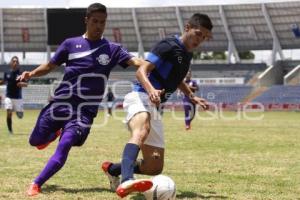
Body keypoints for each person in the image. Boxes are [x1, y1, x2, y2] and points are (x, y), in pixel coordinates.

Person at [17, 3, 148, 196]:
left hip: (84, 111)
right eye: (95, 21)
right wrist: (31, 73)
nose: (99, 26)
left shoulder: (112, 49)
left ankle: (37, 183)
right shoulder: (70, 44)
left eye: (102, 22)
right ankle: (54, 133)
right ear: (86, 20)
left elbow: (136, 62)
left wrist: (148, 64)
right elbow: (50, 65)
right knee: (35, 141)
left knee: (66, 144)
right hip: (60, 103)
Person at [102, 13, 213, 198]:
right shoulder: (168, 45)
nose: (200, 40)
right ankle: (127, 180)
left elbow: (178, 80)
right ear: (187, 28)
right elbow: (141, 71)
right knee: (142, 130)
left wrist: (192, 96)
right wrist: (151, 89)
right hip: (140, 95)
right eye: (198, 33)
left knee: (154, 167)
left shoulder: (187, 56)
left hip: (155, 105)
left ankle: (112, 169)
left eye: (204, 37)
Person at [0, 56, 27, 133]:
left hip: (18, 98)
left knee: (20, 116)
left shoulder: (21, 73)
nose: (15, 63)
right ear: (11, 63)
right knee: (9, 112)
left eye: (16, 61)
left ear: (18, 63)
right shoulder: (7, 73)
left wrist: (22, 84)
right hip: (9, 97)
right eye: (13, 61)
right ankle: (10, 130)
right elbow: (3, 81)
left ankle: (19, 111)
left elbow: (26, 84)